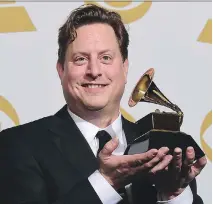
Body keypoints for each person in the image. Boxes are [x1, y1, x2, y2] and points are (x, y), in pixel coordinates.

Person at [0, 4, 207, 204]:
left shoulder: (163, 146)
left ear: (125, 68)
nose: (94, 71)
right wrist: (106, 183)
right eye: (80, 59)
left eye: (106, 58)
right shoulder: (18, 145)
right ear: (61, 70)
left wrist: (174, 194)